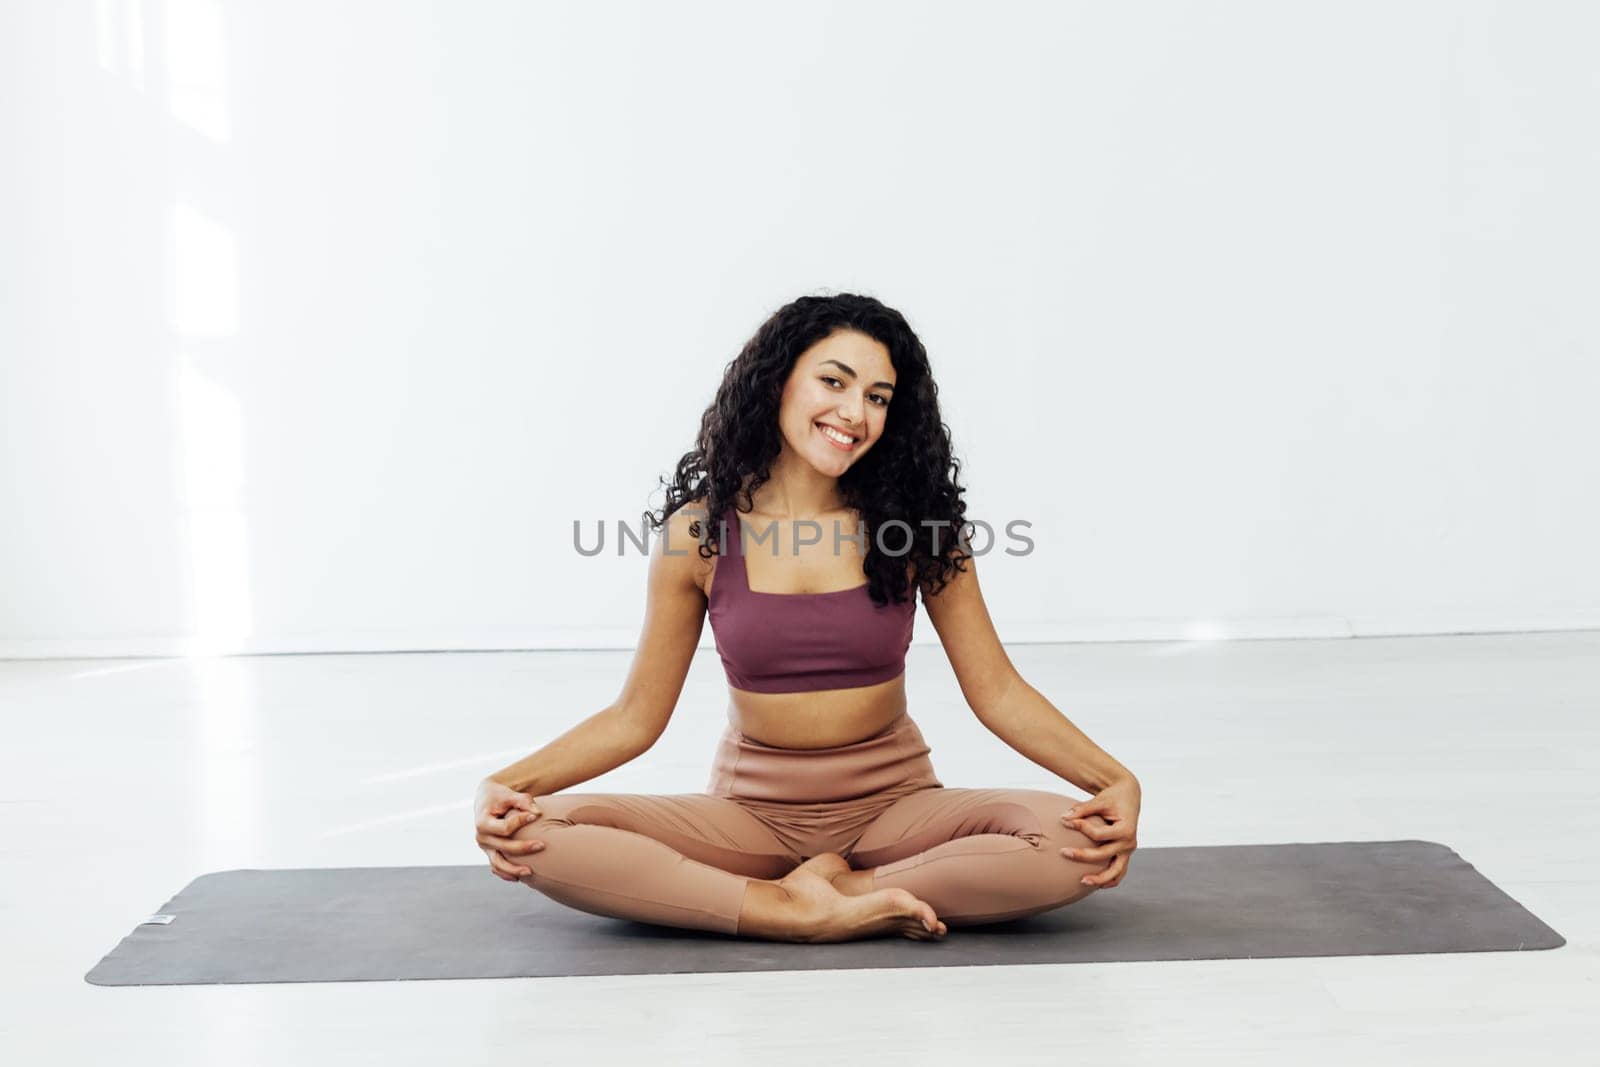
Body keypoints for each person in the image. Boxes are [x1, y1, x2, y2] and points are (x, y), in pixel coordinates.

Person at [472, 293, 1141, 943]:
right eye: (834, 381)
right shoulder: (699, 535)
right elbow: (634, 718)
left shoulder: (915, 529)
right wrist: (508, 784)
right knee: (541, 828)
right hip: (749, 818)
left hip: (895, 810)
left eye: (878, 397)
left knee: (1071, 841)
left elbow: (997, 689)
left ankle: (849, 886)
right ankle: (784, 907)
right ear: (777, 381)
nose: (855, 412)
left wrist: (1112, 779)